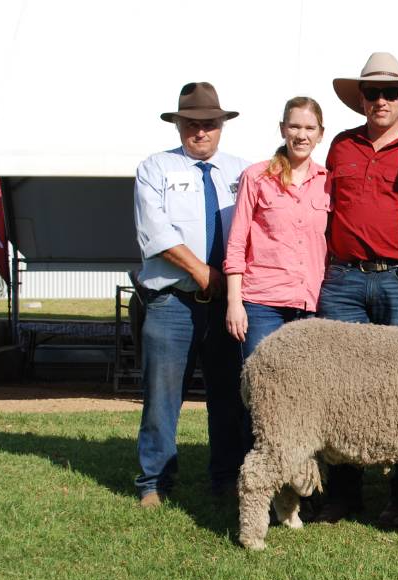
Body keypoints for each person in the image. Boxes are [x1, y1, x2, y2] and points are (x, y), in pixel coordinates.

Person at [312, 52, 398, 526]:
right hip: (343, 279)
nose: (380, 100)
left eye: (389, 93)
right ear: (361, 99)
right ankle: (343, 494)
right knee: (341, 388)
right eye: (372, 93)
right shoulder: (340, 146)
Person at [132, 82, 249, 507]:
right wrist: (203, 273)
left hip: (227, 304)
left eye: (208, 124)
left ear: (221, 126)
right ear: (179, 125)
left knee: (228, 394)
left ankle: (227, 476)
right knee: (162, 395)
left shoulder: (244, 171)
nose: (200, 132)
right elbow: (155, 232)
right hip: (171, 301)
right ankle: (154, 481)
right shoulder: (156, 168)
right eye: (192, 124)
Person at [223, 96, 328, 357]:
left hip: (309, 303)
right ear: (282, 129)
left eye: (309, 128)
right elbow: (236, 243)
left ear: (320, 134)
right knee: (261, 387)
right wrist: (234, 303)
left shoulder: (328, 182)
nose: (301, 135)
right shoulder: (256, 177)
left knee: (304, 387)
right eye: (294, 127)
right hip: (262, 304)